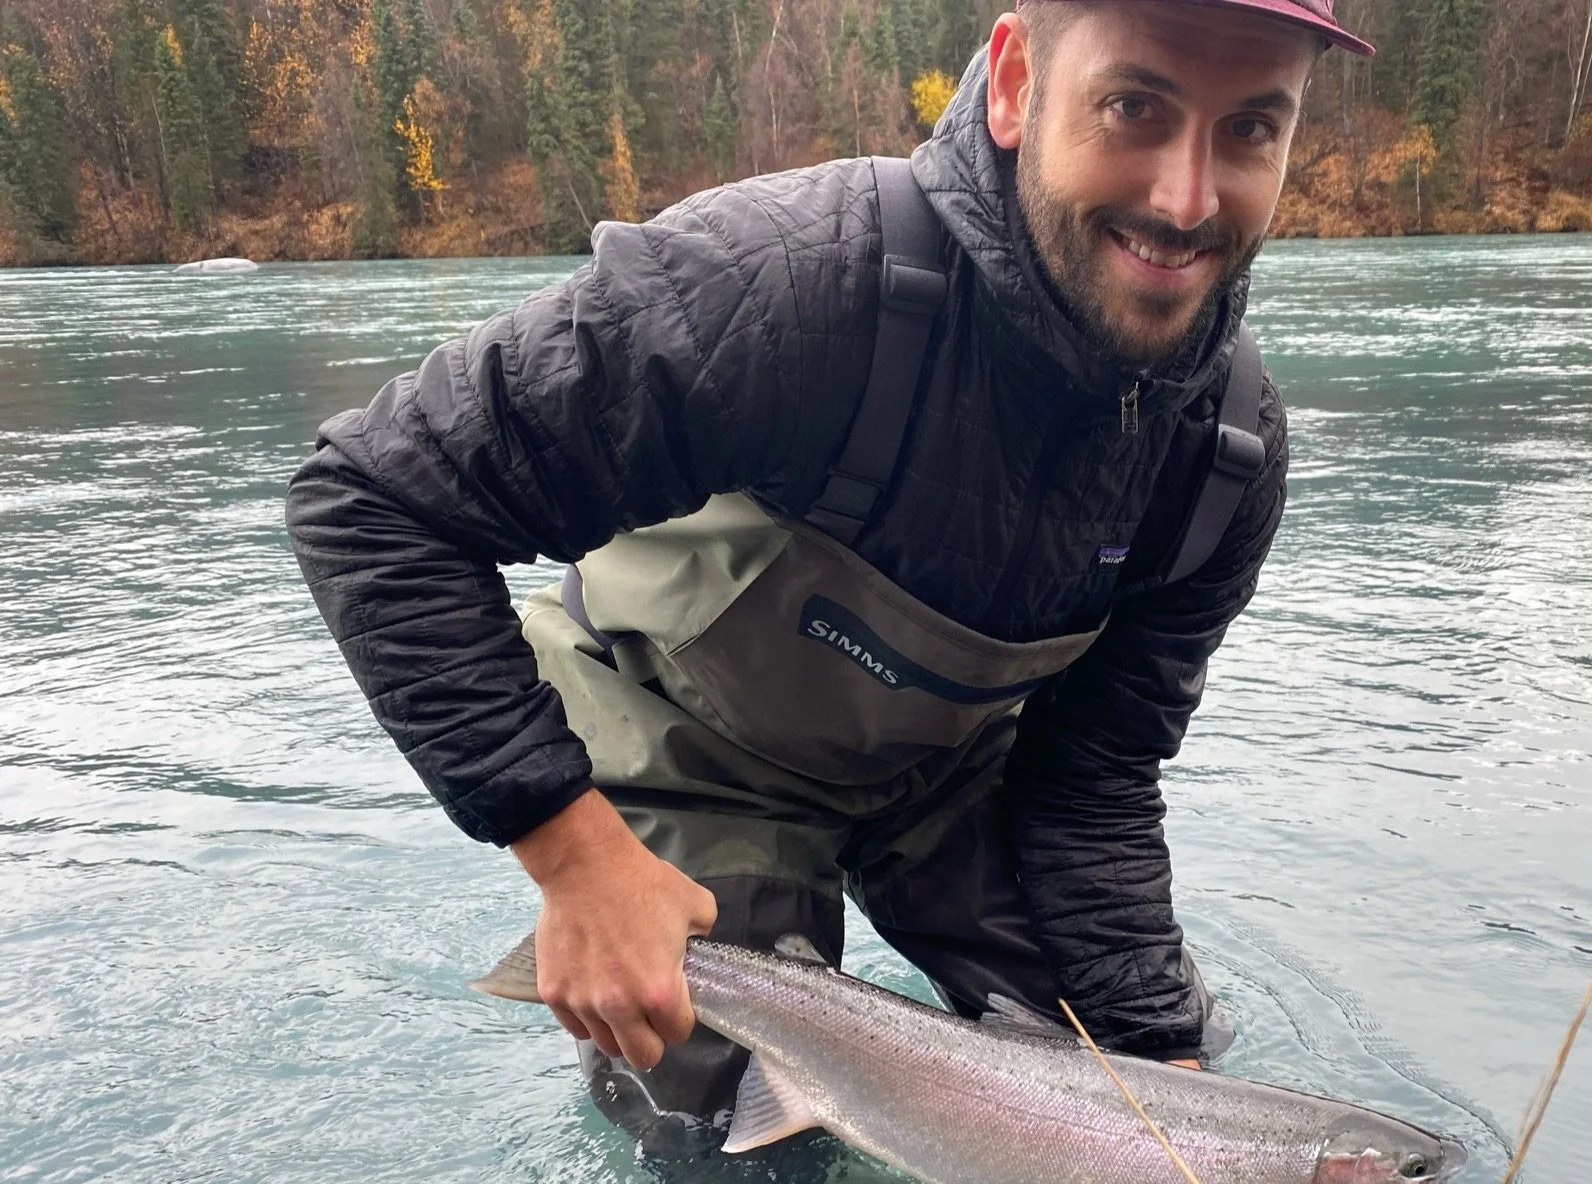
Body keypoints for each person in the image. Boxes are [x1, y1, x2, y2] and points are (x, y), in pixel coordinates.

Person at [285, 0, 1372, 1126]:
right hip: (686, 745)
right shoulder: (786, 281)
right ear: (1015, 83)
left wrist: (1165, 1074)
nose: (1186, 201)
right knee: (734, 1161)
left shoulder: (1226, 452)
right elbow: (372, 502)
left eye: (1250, 130)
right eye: (1133, 107)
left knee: (1126, 1083)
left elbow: (1093, 778)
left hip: (948, 775)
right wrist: (572, 857)